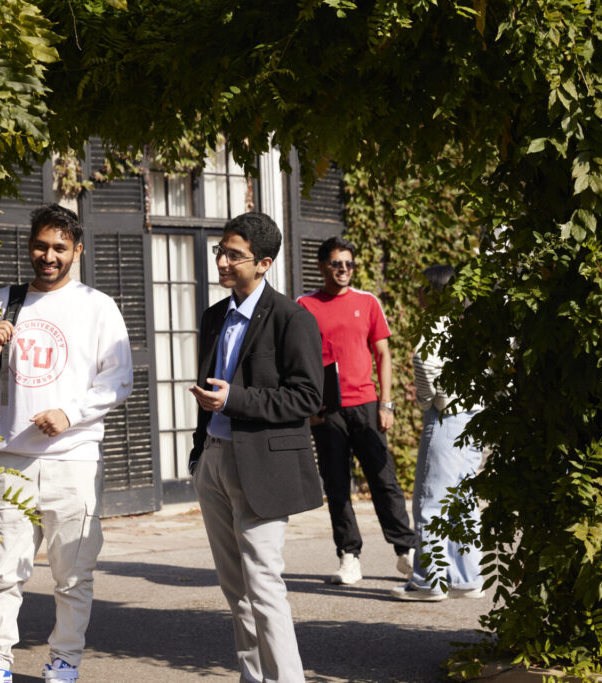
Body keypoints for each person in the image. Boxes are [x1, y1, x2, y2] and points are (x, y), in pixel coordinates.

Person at [0, 204, 133, 683]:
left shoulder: (97, 306)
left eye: (60, 247)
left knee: (73, 577)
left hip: (73, 460)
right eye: (41, 245)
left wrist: (69, 414)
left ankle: (64, 663)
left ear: (77, 251)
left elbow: (119, 379)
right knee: (2, 573)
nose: (49, 255)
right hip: (9, 459)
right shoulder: (4, 300)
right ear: (29, 246)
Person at [189, 212, 324, 683]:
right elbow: (208, 391)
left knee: (264, 585)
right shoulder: (214, 316)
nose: (223, 262)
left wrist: (235, 399)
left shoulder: (292, 318)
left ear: (263, 263)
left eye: (234, 255)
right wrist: (198, 452)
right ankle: (253, 677)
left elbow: (309, 397)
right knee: (235, 590)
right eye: (220, 252)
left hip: (263, 467)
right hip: (215, 462)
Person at [296, 236, 416, 585]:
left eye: (349, 264)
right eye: (336, 263)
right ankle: (349, 556)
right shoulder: (304, 305)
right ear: (322, 266)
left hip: (366, 405)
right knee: (337, 486)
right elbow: (297, 361)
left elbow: (384, 355)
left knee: (385, 481)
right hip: (326, 410)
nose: (344, 270)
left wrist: (387, 403)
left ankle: (405, 551)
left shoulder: (368, 302)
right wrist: (309, 408)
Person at [391, 265, 485, 601]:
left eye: (421, 288)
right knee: (461, 498)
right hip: (475, 416)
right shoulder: (472, 324)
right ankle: (466, 576)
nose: (416, 294)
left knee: (431, 500)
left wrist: (430, 399)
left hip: (448, 418)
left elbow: (425, 366)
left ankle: (429, 582)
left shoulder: (434, 324)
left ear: (433, 292)